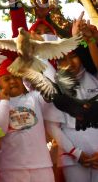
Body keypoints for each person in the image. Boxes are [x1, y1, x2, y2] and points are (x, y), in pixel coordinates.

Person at [0, 59, 62, 181]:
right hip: (11, 169)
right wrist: (4, 102)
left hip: (41, 166)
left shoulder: (35, 97)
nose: (12, 81)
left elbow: (54, 88)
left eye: (16, 77)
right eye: (6, 79)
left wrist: (39, 56)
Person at [43, 48, 98, 181]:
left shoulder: (95, 77)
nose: (69, 63)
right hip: (72, 154)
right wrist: (76, 153)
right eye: (62, 59)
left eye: (74, 56)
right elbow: (52, 126)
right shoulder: (54, 86)